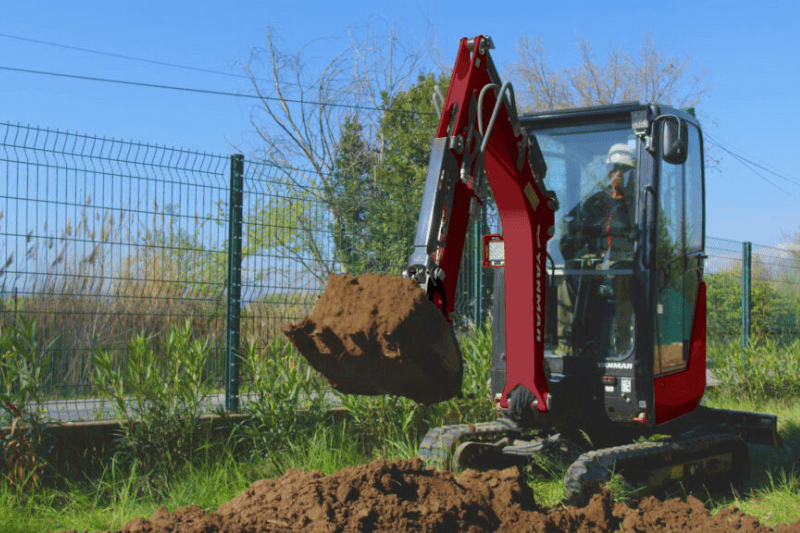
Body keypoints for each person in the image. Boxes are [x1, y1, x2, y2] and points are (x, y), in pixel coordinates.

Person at [557, 143, 636, 357]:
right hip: (595, 260)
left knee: (622, 280)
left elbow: (639, 232)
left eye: (624, 170)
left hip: (625, 260)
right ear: (608, 170)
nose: (618, 174)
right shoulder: (596, 201)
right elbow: (580, 231)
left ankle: (622, 343)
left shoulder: (637, 203)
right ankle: (566, 339)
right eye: (615, 168)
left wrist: (623, 199)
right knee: (570, 276)